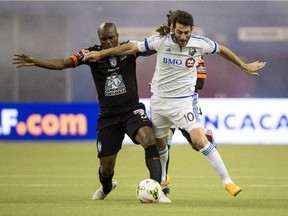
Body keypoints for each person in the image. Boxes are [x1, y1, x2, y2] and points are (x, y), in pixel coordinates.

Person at [83, 10, 266, 199]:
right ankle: (161, 183)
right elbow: (130, 48)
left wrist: (244, 66)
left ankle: (227, 181)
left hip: (184, 102)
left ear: (191, 30)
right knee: (161, 145)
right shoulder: (160, 41)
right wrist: (102, 54)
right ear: (172, 29)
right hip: (160, 102)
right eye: (179, 32)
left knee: (198, 141)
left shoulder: (200, 43)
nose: (183, 37)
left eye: (187, 32)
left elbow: (222, 50)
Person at [12, 22, 171, 203]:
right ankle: (107, 186)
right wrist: (35, 61)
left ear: (118, 36)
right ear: (99, 39)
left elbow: (153, 48)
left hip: (132, 110)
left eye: (111, 37)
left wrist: (165, 36)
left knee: (149, 139)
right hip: (108, 116)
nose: (109, 42)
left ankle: (157, 190)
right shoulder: (90, 54)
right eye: (104, 39)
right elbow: (63, 63)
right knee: (106, 169)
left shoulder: (130, 49)